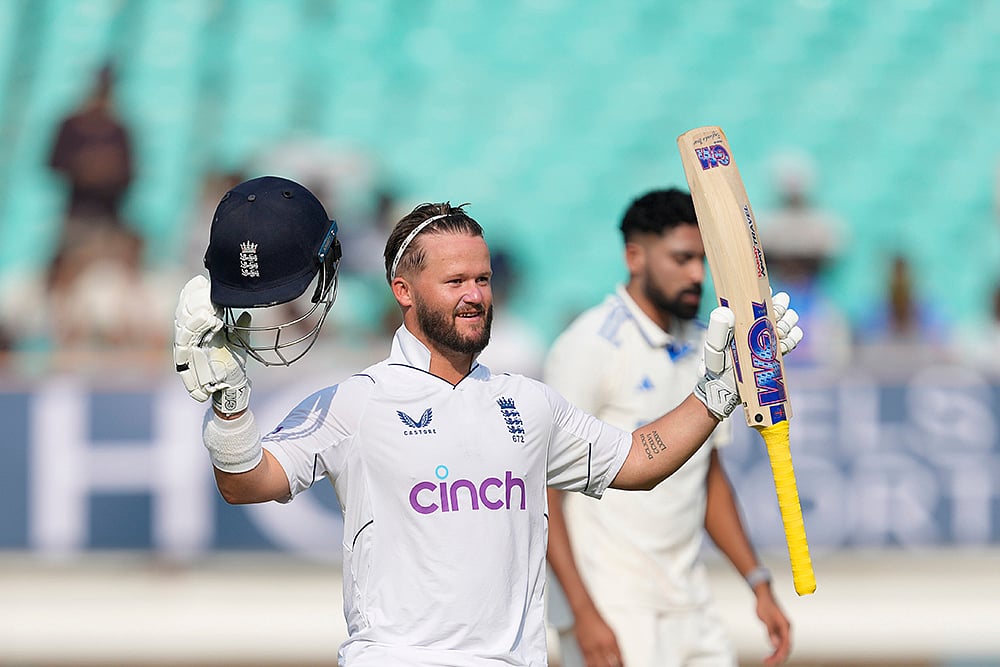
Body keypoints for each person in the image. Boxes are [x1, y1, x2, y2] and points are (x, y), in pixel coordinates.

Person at [172, 177, 802, 666]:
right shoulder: (356, 402)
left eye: (482, 278)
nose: (474, 294)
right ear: (404, 290)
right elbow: (247, 482)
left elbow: (639, 461)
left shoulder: (528, 403)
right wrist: (229, 405)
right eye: (454, 281)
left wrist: (722, 389)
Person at [545, 189, 791, 667]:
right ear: (634, 256)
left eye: (703, 259)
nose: (698, 274)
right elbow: (545, 492)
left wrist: (756, 580)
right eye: (681, 258)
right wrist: (583, 613)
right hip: (616, 606)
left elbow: (707, 476)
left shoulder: (706, 342)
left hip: (691, 602)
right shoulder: (588, 346)